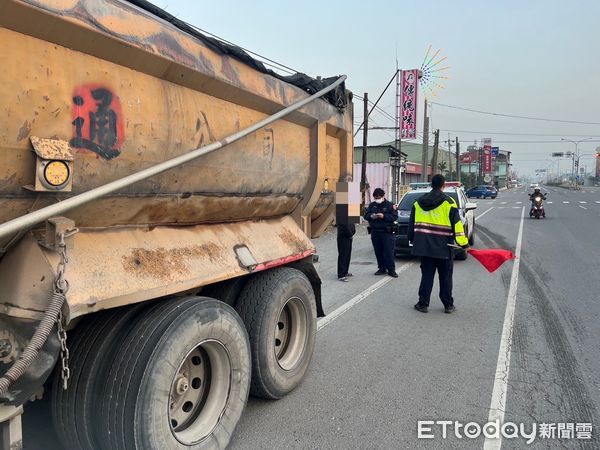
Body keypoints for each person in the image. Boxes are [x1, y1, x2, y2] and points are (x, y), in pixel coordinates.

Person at [408, 174, 469, 313]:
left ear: (431, 185)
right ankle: (448, 305)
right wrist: (464, 244)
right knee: (445, 277)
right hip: (444, 248)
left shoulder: (418, 203)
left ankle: (423, 304)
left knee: (427, 276)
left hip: (425, 248)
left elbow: (411, 226)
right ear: (443, 185)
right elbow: (457, 226)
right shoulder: (449, 202)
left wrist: (413, 240)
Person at [364, 188, 398, 277]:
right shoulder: (372, 205)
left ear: (383, 196)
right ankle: (382, 268)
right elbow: (366, 215)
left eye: (379, 197)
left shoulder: (390, 205)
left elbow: (394, 216)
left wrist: (384, 216)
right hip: (375, 232)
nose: (377, 199)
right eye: (375, 198)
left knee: (389, 252)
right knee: (378, 251)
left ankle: (391, 270)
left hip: (387, 232)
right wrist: (371, 216)